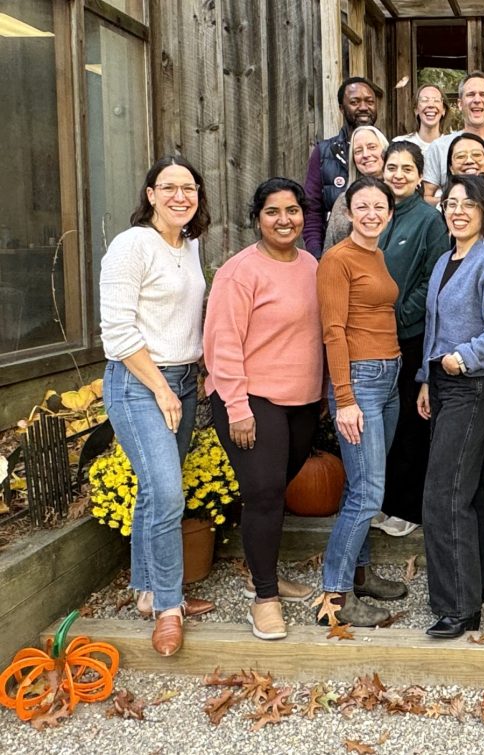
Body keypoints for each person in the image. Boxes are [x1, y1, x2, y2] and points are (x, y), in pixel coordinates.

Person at [99, 155, 215, 656]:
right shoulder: (131, 246)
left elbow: (188, 319)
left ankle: (147, 591)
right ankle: (170, 606)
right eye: (168, 187)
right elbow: (118, 332)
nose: (179, 197)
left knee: (154, 490)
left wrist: (200, 371)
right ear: (150, 194)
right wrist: (162, 389)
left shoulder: (189, 244)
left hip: (184, 379)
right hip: (138, 382)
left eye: (188, 188)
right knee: (168, 493)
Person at [203, 178, 320, 641]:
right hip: (252, 397)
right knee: (265, 493)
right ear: (258, 219)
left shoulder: (311, 265)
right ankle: (265, 598)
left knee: (278, 485)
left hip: (303, 399)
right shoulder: (239, 272)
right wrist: (236, 406)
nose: (284, 220)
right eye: (273, 212)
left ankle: (260, 570)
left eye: (292, 211)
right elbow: (222, 344)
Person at [417, 175, 484, 639]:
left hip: (472, 387)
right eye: (450, 203)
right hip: (441, 385)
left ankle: (458, 608)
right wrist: (425, 379)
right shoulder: (444, 261)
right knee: (471, 489)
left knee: (444, 495)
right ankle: (477, 584)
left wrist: (464, 358)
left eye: (467, 203)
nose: (457, 210)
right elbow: (434, 327)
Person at [315, 176, 409, 628]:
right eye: (363, 207)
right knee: (368, 493)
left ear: (389, 214)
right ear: (349, 212)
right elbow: (332, 331)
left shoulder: (376, 254)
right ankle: (335, 595)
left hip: (388, 378)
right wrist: (346, 398)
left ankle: (359, 573)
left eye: (380, 208)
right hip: (360, 382)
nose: (372, 214)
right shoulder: (337, 260)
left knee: (362, 485)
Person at [372, 142, 450, 538]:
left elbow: (432, 281)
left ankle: (408, 506)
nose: (398, 174)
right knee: (383, 423)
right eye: (392, 167)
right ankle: (382, 501)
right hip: (373, 338)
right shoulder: (377, 214)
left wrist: (401, 313)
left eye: (407, 168)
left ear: (420, 175)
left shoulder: (429, 221)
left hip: (411, 336)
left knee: (409, 424)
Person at [304, 76, 381, 257]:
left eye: (369, 101)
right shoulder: (324, 153)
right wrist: (317, 255)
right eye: (355, 102)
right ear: (341, 108)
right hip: (335, 252)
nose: (363, 107)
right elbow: (312, 210)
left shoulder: (386, 151)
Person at [422, 72, 484, 203]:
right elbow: (425, 198)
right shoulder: (439, 146)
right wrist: (455, 202)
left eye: (483, 94)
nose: (477, 100)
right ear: (459, 104)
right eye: (470, 95)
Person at [323, 126, 391, 249]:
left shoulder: (401, 195)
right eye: (358, 151)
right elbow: (332, 248)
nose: (365, 155)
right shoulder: (344, 201)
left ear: (385, 151)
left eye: (372, 147)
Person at [393, 84, 449, 151]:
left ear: (444, 110)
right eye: (424, 100)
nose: (431, 105)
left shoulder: (452, 145)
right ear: (416, 110)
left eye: (436, 100)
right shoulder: (399, 144)